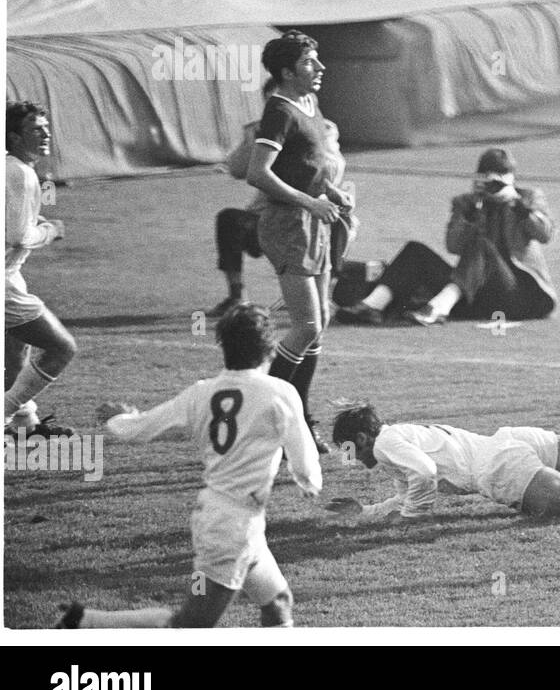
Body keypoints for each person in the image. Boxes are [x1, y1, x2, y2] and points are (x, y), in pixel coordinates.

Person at [57, 303, 322, 628]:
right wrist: (309, 482)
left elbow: (139, 429)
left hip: (228, 518)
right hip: (232, 527)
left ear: (224, 347)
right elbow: (306, 463)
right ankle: (85, 623)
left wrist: (117, 418)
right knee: (190, 627)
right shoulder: (280, 392)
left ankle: (83, 622)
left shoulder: (201, 392)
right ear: (269, 349)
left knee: (278, 603)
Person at [325, 347, 560, 521]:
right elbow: (409, 488)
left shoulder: (388, 444)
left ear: (360, 439)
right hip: (506, 442)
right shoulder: (400, 436)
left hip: (498, 468)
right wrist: (368, 512)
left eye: (350, 451)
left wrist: (411, 518)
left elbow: (423, 475)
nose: (355, 460)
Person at [245, 30, 353, 453]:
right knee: (306, 325)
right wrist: (311, 201)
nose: (321, 67)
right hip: (287, 223)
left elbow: (310, 163)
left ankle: (301, 421)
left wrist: (330, 190)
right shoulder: (279, 111)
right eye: (310, 62)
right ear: (287, 72)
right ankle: (255, 414)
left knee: (318, 327)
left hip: (314, 221)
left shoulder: (309, 102)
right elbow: (258, 172)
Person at [335, 147, 556, 327]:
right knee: (415, 251)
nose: (492, 186)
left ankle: (437, 308)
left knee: (482, 245)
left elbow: (545, 234)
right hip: (475, 291)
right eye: (487, 180)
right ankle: (372, 306)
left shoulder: (528, 198)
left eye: (498, 181)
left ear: (512, 179)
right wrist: (473, 214)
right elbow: (454, 245)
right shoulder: (467, 203)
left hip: (519, 294)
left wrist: (517, 205)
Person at [208, 83, 352, 320]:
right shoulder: (261, 131)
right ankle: (236, 296)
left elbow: (333, 169)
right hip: (269, 216)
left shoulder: (322, 129)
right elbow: (236, 169)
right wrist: (259, 142)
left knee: (339, 220)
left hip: (311, 215)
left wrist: (300, 147)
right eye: (273, 102)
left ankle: (322, 297)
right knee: (229, 220)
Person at [4, 101, 76, 437]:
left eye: (46, 126)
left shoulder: (12, 168)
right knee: (62, 348)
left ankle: (24, 423)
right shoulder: (19, 171)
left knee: (16, 347)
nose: (46, 133)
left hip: (10, 274)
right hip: (3, 280)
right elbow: (18, 236)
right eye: (36, 128)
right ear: (15, 137)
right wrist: (50, 231)